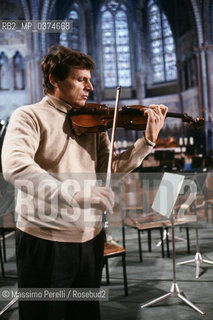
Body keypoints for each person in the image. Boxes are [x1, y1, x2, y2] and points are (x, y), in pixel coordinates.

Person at [1, 45, 167, 320]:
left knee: (85, 313)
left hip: (89, 239)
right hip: (45, 239)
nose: (90, 86)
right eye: (81, 79)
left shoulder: (95, 122)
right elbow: (16, 167)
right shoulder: (28, 116)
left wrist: (146, 142)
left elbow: (109, 170)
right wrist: (77, 195)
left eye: (90, 79)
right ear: (55, 79)